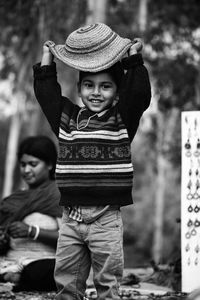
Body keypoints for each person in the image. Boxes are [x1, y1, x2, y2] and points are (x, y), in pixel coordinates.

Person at [33, 22, 151, 300]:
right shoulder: (67, 120)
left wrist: (133, 60)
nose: (96, 92)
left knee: (107, 285)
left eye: (105, 86)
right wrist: (47, 61)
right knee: (66, 282)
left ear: (117, 92)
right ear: (79, 88)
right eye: (89, 85)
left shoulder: (121, 119)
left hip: (106, 219)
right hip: (71, 219)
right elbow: (47, 96)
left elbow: (139, 95)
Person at [0, 135, 62, 291]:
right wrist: (3, 240)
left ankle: (17, 279)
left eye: (33, 164)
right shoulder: (13, 200)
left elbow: (73, 238)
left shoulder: (59, 195)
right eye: (22, 165)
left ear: (49, 164)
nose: (26, 170)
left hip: (43, 263)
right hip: (9, 262)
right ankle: (12, 277)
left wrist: (32, 231)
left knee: (50, 271)